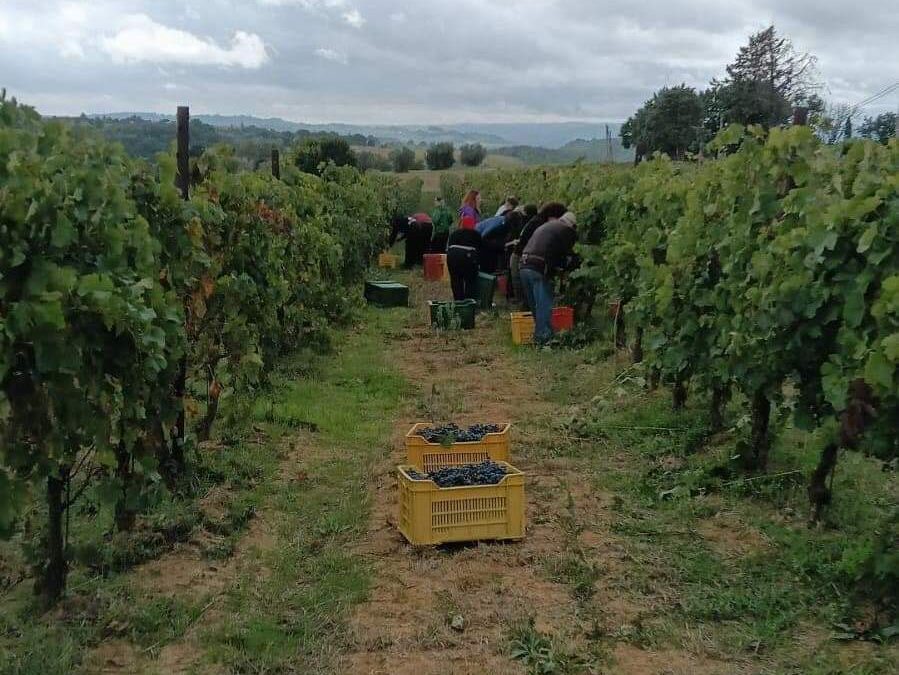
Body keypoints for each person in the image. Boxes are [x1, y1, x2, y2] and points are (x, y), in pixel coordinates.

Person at [519, 211, 578, 345]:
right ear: (572, 225)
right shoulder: (567, 231)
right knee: (544, 304)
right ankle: (544, 339)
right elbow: (568, 255)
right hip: (538, 266)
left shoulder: (547, 226)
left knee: (535, 305)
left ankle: (539, 335)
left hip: (523, 265)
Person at [510, 202, 566, 309]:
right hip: (524, 260)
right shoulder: (541, 225)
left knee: (526, 297)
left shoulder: (536, 221)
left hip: (521, 259)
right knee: (529, 297)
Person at [446, 221, 483, 302]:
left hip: (452, 255)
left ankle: (458, 301)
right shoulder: (476, 234)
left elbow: (449, 247)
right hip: (468, 255)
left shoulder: (454, 233)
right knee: (470, 280)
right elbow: (480, 250)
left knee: (455, 280)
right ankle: (469, 302)